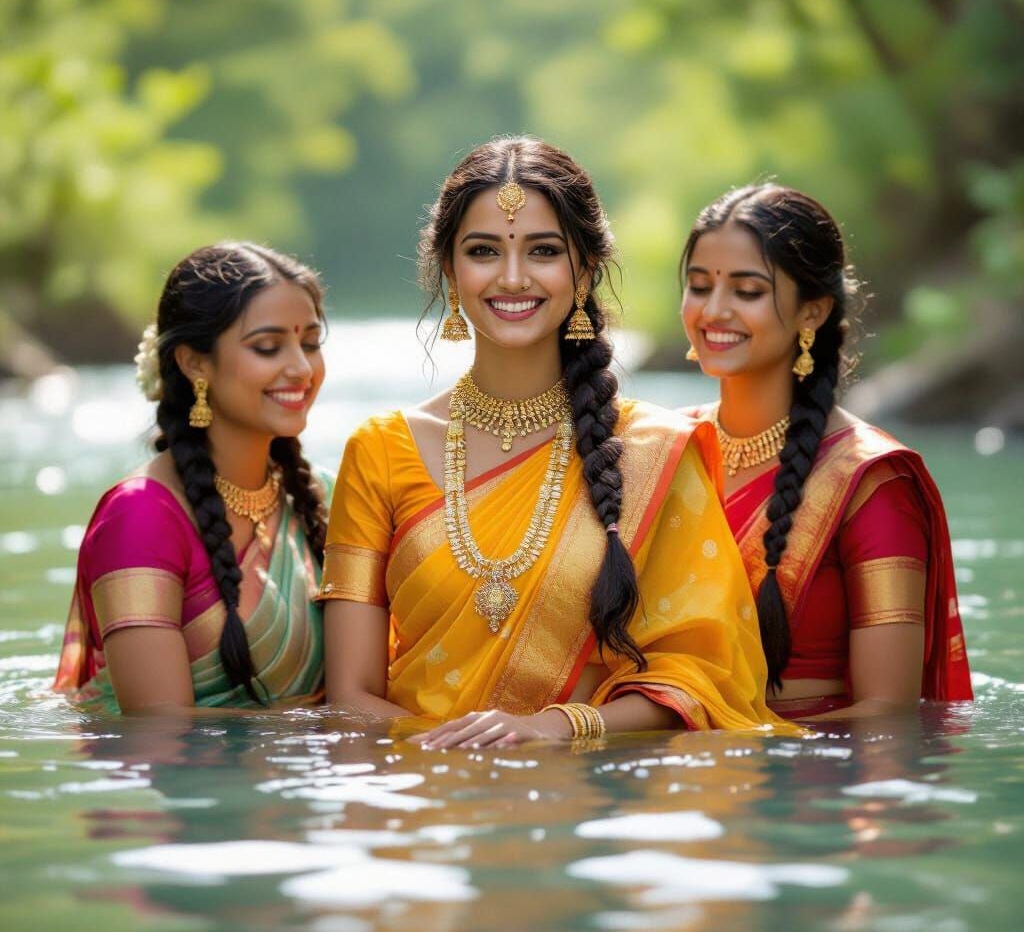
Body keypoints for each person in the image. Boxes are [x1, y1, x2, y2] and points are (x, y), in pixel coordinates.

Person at [317, 137, 794, 748]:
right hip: (427, 803)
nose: (512, 277)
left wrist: (555, 728)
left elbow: (702, 677)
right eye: (483, 251)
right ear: (448, 269)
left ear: (586, 269)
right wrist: (460, 756)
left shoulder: (649, 448)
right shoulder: (380, 450)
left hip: (588, 806)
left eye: (543, 251)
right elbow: (350, 698)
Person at [679, 183, 972, 720]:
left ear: (812, 312)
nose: (714, 310)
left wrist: (735, 747)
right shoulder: (659, 447)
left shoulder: (871, 482)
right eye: (699, 286)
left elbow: (887, 714)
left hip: (798, 782)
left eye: (747, 292)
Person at [54, 242, 330, 714]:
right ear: (194, 362)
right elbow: (162, 733)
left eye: (309, 343)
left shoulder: (324, 494)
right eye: (268, 347)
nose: (301, 369)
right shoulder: (140, 516)